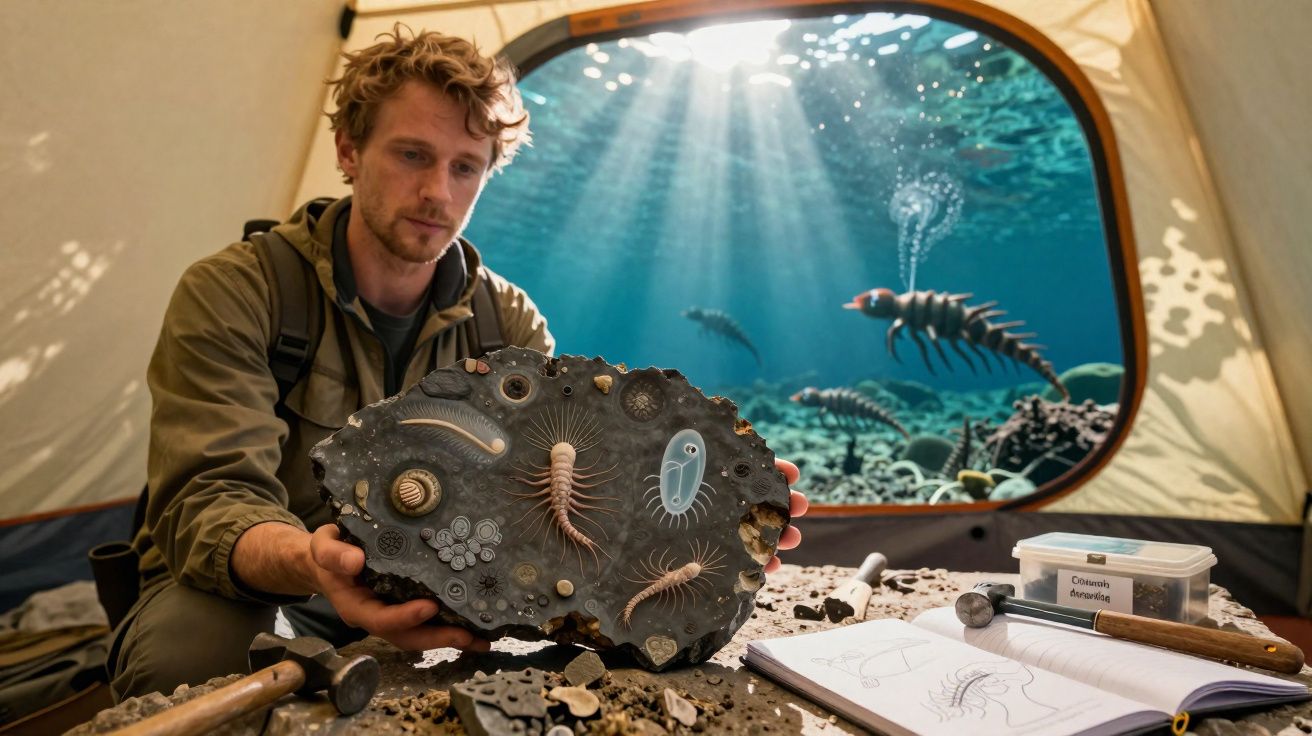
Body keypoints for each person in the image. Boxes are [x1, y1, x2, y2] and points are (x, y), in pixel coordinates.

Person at [108, 25, 808, 701]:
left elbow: (546, 496)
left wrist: (718, 510)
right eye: (412, 154)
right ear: (349, 150)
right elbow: (205, 504)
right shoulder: (237, 292)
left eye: (465, 167)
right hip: (270, 580)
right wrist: (320, 566)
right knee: (184, 661)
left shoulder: (509, 322)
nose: (438, 193)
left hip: (437, 579)